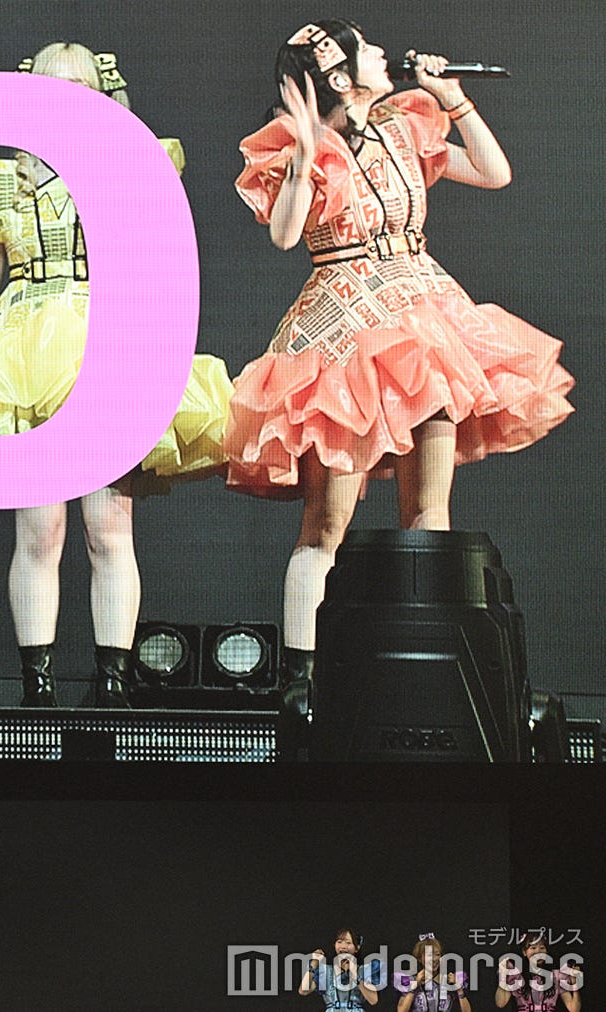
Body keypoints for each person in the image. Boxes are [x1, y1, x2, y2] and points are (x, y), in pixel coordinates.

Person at [226, 20, 573, 704]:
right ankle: (302, 681)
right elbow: (286, 234)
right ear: (338, 74)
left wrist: (453, 100)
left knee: (428, 509)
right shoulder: (299, 144)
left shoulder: (403, 124)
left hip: (424, 321)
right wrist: (304, 149)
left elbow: (494, 174)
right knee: (326, 525)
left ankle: (423, 669)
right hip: (344, 335)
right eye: (368, 48)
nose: (384, 53)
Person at [0, 42, 232, 706]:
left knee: (108, 526)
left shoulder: (126, 166)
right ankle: (38, 687)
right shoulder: (3, 181)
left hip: (98, 344)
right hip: (26, 348)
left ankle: (112, 684)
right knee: (39, 529)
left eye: (77, 89)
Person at [495, 931, 583, 1011]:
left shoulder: (556, 976)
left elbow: (574, 1009)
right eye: (533, 948)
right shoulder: (517, 977)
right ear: (524, 952)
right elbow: (501, 1003)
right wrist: (503, 975)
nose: (538, 951)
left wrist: (575, 984)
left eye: (542, 948)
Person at [298, 929, 382, 1008]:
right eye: (339, 942)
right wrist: (313, 965)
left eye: (348, 943)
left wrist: (356, 975)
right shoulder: (327, 971)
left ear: (357, 948)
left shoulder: (364, 970)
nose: (343, 946)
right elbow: (303, 991)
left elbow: (373, 1000)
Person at [396, 934, 470, 1012]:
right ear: (420, 958)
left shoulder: (449, 981)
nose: (434, 959)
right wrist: (415, 985)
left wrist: (459, 989)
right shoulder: (410, 982)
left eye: (437, 954)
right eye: (429, 955)